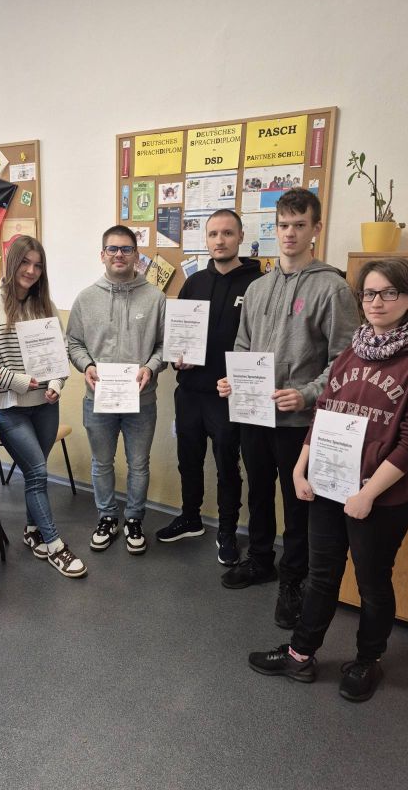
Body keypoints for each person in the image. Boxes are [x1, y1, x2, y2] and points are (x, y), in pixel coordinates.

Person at [248, 258, 408, 702]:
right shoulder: (351, 352)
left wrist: (368, 494)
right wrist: (301, 467)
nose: (377, 302)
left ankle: (366, 661)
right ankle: (300, 655)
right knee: (321, 576)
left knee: (372, 584)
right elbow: (323, 414)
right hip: (328, 487)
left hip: (379, 500)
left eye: (389, 293)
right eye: (369, 293)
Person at [217, 189, 360, 628]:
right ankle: (261, 559)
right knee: (258, 492)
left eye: (300, 225)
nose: (290, 233)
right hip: (254, 415)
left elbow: (345, 361)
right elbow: (243, 345)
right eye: (283, 225)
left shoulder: (333, 288)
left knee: (298, 504)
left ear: (316, 229)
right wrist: (233, 380)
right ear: (274, 228)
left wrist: (308, 393)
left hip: (300, 422)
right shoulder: (258, 287)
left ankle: (293, 581)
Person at [156, 210, 261, 566]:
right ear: (206, 239)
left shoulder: (257, 285)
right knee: (189, 460)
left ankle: (227, 532)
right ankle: (191, 518)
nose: (220, 240)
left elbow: (262, 342)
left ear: (240, 236)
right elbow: (178, 337)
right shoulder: (195, 282)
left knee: (228, 466)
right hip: (189, 391)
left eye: (227, 233)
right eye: (213, 234)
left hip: (228, 395)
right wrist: (178, 360)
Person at [0, 236, 87, 579]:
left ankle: (32, 530)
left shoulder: (46, 305)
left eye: (38, 265)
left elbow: (60, 354)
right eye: (25, 262)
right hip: (9, 406)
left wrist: (56, 384)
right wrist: (18, 381)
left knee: (32, 473)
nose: (31, 270)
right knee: (39, 471)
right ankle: (55, 544)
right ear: (11, 262)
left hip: (45, 404)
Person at [67, 225, 166, 554]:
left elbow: (165, 346)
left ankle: (134, 519)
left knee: (139, 464)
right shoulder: (86, 298)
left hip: (142, 401)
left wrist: (150, 367)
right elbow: (73, 342)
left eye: (126, 249)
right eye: (112, 249)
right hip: (99, 400)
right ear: (102, 255)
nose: (119, 254)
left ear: (136, 255)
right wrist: (86, 365)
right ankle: (107, 517)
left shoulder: (155, 298)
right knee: (102, 463)